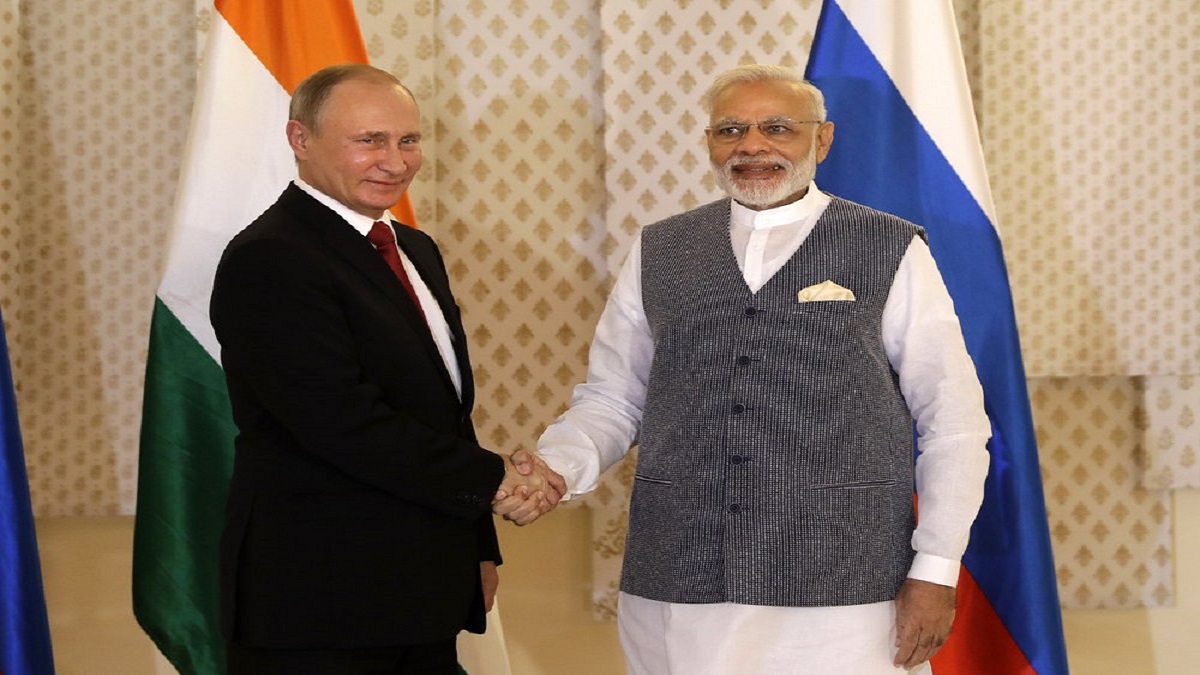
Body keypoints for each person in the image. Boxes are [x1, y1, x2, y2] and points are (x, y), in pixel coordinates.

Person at [524, 63, 992, 673]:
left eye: (777, 128)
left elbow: (953, 422)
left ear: (821, 140)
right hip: (683, 573)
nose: (751, 146)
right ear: (709, 144)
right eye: (730, 131)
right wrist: (556, 467)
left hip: (843, 581)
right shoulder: (660, 248)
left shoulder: (889, 246)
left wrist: (935, 569)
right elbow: (615, 398)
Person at [209, 63, 562, 674]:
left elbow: (446, 416)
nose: (394, 162)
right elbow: (341, 422)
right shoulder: (271, 258)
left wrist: (477, 549)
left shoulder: (412, 248)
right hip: (318, 603)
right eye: (368, 140)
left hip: (418, 593)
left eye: (408, 140)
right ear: (300, 140)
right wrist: (496, 480)